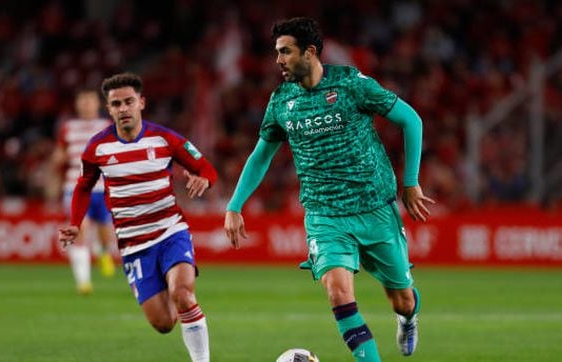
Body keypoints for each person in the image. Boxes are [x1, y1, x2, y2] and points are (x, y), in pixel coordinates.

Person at [224, 17, 434, 361]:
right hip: (324, 214)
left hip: (374, 207)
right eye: (277, 52)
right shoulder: (281, 101)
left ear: (309, 52)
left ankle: (408, 318)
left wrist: (410, 183)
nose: (278, 60)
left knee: (402, 298)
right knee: (338, 293)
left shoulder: (352, 84)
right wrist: (235, 204)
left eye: (285, 52)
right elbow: (261, 155)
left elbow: (411, 119)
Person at [58, 72, 216, 362]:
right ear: (109, 109)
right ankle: (172, 299)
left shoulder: (165, 138)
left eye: (129, 101)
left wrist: (204, 179)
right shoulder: (97, 147)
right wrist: (75, 223)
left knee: (183, 294)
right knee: (164, 323)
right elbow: (83, 186)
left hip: (171, 232)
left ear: (141, 102)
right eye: (116, 104)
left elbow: (206, 168)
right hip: (133, 245)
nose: (123, 109)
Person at [46, 88, 116, 294]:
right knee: (80, 230)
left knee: (105, 234)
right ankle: (84, 282)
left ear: (97, 104)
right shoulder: (68, 128)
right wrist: (54, 166)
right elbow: (59, 154)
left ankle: (102, 253)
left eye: (89, 100)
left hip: (102, 188)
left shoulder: (107, 126)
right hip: (75, 187)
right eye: (82, 100)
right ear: (77, 104)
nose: (86, 104)